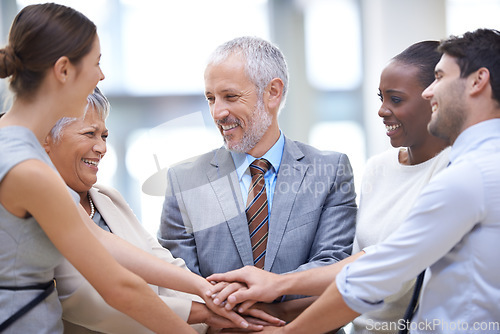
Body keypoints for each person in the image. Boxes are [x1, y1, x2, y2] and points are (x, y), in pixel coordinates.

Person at [206, 28, 500, 333]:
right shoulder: (468, 168)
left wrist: (285, 326)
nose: (430, 92)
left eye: (440, 77)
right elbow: (367, 265)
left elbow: (379, 271)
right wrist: (277, 309)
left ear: (478, 81)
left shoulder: (468, 175)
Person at [0, 3, 256, 333]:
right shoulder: (29, 169)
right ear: (63, 70)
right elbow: (118, 287)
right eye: (96, 63)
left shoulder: (16, 149)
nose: (101, 76)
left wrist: (202, 287)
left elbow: (102, 241)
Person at [157, 36, 357, 289]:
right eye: (210, 98)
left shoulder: (330, 171)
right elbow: (177, 281)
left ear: (272, 93)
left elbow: (334, 266)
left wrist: (272, 299)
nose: (217, 112)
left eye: (230, 96)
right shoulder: (183, 181)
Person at [45, 88, 209, 333]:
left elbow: (162, 263)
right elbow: (89, 302)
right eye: (90, 134)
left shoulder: (108, 198)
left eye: (104, 136)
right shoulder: (39, 204)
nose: (102, 147)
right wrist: (204, 314)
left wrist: (214, 303)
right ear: (47, 138)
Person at [349, 41, 450, 333]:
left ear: (434, 97)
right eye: (381, 98)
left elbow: (389, 267)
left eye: (395, 100)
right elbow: (352, 269)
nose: (382, 110)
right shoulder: (378, 167)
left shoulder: (453, 170)